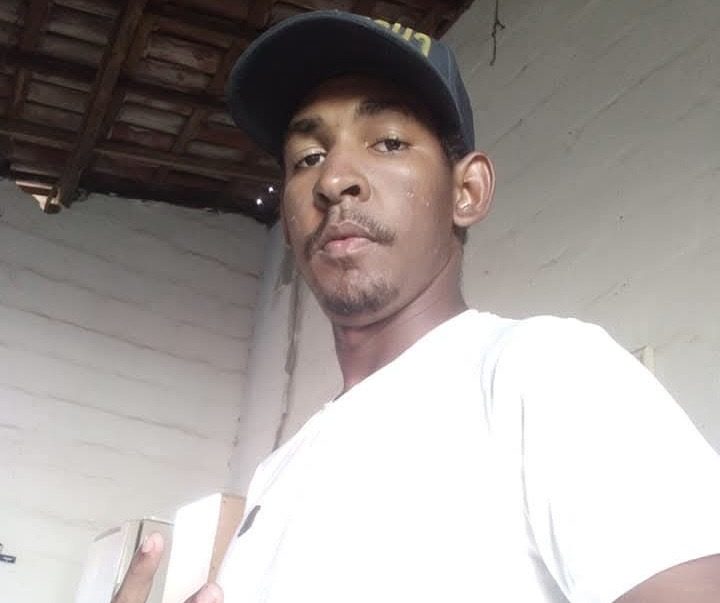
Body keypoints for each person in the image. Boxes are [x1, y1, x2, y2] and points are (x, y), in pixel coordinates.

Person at [114, 10, 720, 603]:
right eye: (307, 158)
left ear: (467, 190)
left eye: (388, 142)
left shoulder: (544, 370)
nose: (333, 180)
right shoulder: (277, 469)